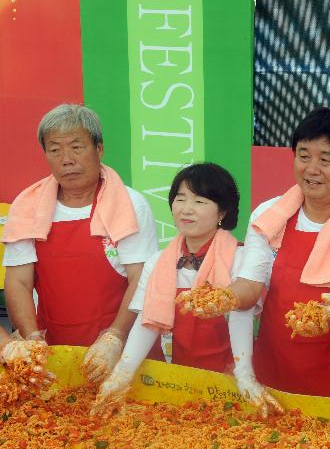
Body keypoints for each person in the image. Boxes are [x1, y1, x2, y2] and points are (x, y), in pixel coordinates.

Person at [91, 163, 283, 417]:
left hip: (229, 380)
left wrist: (243, 374)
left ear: (222, 211)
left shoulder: (239, 257)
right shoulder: (158, 261)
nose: (186, 209)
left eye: (200, 201)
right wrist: (121, 375)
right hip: (181, 379)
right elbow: (147, 322)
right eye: (180, 199)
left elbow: (241, 315)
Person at [222, 108, 330, 400]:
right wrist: (224, 298)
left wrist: (322, 313)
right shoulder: (270, 215)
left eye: (326, 159)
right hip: (276, 371)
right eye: (304, 156)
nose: (311, 168)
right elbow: (249, 287)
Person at [1, 104, 157, 385]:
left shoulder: (130, 205)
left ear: (99, 149)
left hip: (125, 350)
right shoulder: (27, 207)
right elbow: (18, 282)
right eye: (55, 150)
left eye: (76, 147)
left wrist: (115, 337)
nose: (67, 160)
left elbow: (142, 279)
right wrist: (32, 340)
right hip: (54, 352)